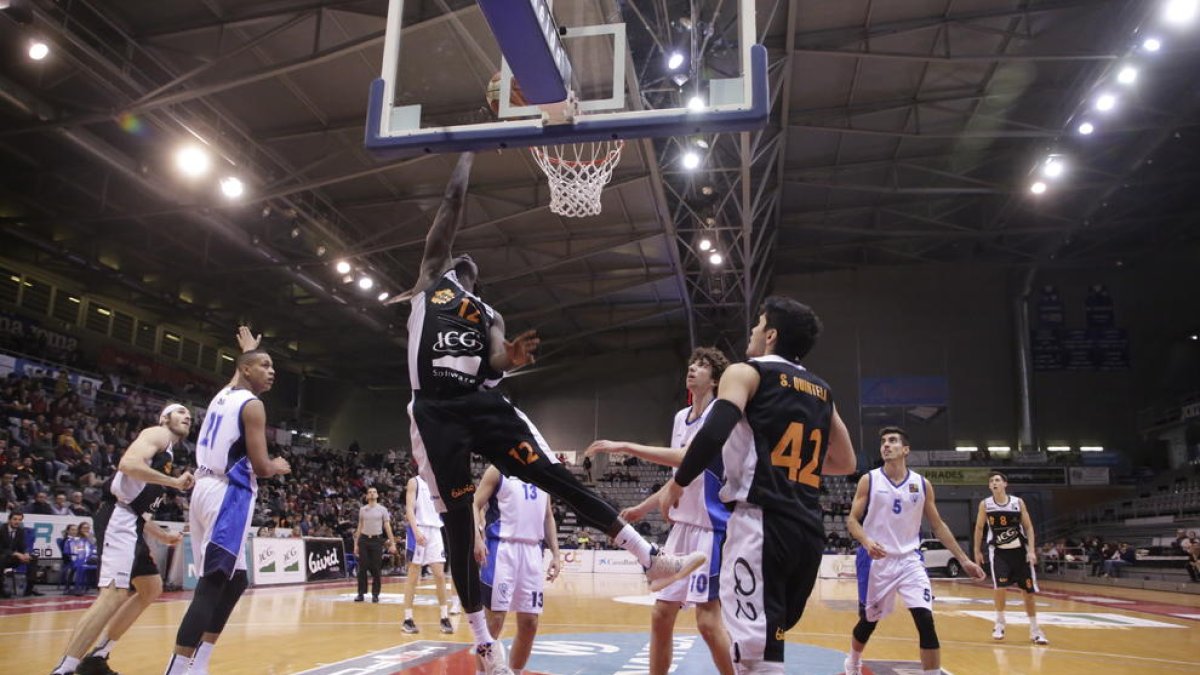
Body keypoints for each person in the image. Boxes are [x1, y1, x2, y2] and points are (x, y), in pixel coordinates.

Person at [388, 152, 706, 675]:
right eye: (457, 262)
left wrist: (508, 358)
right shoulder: (429, 281)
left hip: (478, 400)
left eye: (470, 268)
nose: (463, 265)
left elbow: (493, 359)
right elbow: (450, 206)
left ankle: (650, 560)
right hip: (434, 409)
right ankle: (484, 644)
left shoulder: (490, 312)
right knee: (459, 526)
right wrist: (471, 151)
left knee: (554, 475)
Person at [657, 296, 857, 674]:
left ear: (771, 335)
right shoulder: (822, 391)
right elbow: (845, 461)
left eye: (756, 325)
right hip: (808, 531)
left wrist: (678, 484)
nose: (750, 332)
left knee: (753, 659)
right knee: (769, 647)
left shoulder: (745, 372)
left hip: (760, 525)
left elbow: (716, 429)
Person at [586, 347, 736, 675]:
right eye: (692, 363)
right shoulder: (680, 418)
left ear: (715, 379)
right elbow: (676, 478)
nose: (693, 368)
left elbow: (687, 457)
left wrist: (625, 446)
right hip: (682, 529)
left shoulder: (717, 415)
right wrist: (643, 507)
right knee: (661, 614)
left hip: (709, 528)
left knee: (708, 622)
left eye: (703, 365)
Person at [163, 331, 292, 675]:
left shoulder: (224, 395)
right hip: (227, 496)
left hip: (203, 489)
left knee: (235, 581)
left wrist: (249, 353)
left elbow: (238, 371)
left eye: (273, 366)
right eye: (264, 365)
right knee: (211, 585)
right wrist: (277, 466)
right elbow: (262, 467)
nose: (272, 371)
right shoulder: (253, 405)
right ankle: (177, 670)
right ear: (247, 371)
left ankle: (199, 663)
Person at [49, 404, 195, 675]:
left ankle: (98, 656)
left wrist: (162, 535)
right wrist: (174, 482)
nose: (187, 416)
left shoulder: (168, 452)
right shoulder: (158, 434)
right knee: (113, 594)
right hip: (118, 517)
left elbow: (140, 507)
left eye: (189, 415)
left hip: (133, 521)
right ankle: (64, 669)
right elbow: (127, 464)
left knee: (151, 588)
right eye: (180, 412)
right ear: (165, 417)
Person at [843, 427, 985, 675]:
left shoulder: (921, 484)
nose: (886, 445)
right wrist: (866, 541)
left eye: (893, 441)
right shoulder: (870, 480)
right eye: (884, 442)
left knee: (925, 621)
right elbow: (852, 520)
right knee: (868, 622)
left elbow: (938, 525)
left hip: (910, 560)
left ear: (905, 450)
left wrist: (964, 560)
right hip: (877, 560)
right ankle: (853, 660)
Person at [472, 466, 562, 673]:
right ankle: (482, 672)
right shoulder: (497, 470)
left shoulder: (543, 474)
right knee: (493, 621)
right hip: (501, 549)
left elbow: (548, 516)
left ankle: (514, 672)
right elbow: (474, 504)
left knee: (530, 622)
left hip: (532, 552)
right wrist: (477, 536)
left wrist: (556, 554)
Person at [973, 470, 1048, 645]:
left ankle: (1035, 630)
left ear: (1005, 484)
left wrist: (1031, 550)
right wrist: (977, 551)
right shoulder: (985, 505)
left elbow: (1028, 527)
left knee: (1028, 593)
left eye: (997, 480)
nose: (994, 483)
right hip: (999, 553)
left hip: (1020, 553)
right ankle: (999, 623)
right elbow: (979, 528)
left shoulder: (1017, 503)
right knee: (999, 588)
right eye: (991, 481)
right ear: (989, 486)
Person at [401, 474, 452, 634]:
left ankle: (444, 617)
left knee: (439, 575)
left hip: (435, 530)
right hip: (419, 529)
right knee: (413, 576)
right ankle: (407, 618)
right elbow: (409, 508)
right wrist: (415, 532)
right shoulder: (414, 482)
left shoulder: (438, 481)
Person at [354, 486, 398, 603]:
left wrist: (392, 543)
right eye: (370, 492)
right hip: (363, 540)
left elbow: (387, 526)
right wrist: (356, 544)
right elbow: (359, 526)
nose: (372, 494)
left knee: (376, 568)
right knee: (362, 568)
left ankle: (375, 594)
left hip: (376, 540)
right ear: (367, 496)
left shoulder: (382, 509)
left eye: (374, 492)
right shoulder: (362, 510)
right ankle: (360, 593)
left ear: (377, 495)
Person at [1, 510, 40, 597]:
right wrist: (16, 554)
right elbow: (1, 548)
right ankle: (2, 590)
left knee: (33, 558)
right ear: (9, 520)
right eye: (15, 519)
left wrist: (25, 553)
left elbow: (22, 546)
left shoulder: (20, 531)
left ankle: (29, 589)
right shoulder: (1, 530)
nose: (17, 522)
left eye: (19, 520)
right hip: (3, 557)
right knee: (2, 558)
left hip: (13, 558)